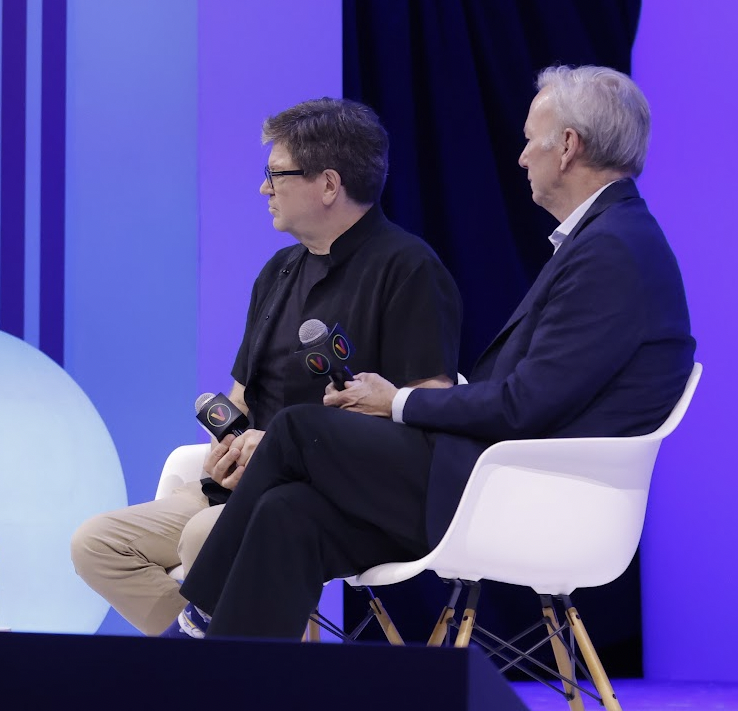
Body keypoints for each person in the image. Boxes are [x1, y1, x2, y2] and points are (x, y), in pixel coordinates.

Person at [171, 65, 695, 639]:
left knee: (298, 429)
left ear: (567, 146)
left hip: (524, 494)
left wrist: (397, 402)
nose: (522, 157)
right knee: (287, 514)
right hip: (496, 476)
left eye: (530, 140)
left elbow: (524, 406)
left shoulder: (612, 251)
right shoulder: (611, 238)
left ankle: (197, 619)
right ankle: (231, 678)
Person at [70, 98, 463, 635]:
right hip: (237, 485)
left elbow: (428, 408)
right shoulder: (278, 271)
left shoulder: (408, 268)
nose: (263, 189)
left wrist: (283, 445)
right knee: (96, 544)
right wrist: (226, 450)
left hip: (329, 497)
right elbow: (241, 394)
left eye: (275, 174)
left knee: (203, 536)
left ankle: (219, 649)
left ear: (329, 184)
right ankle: (200, 649)